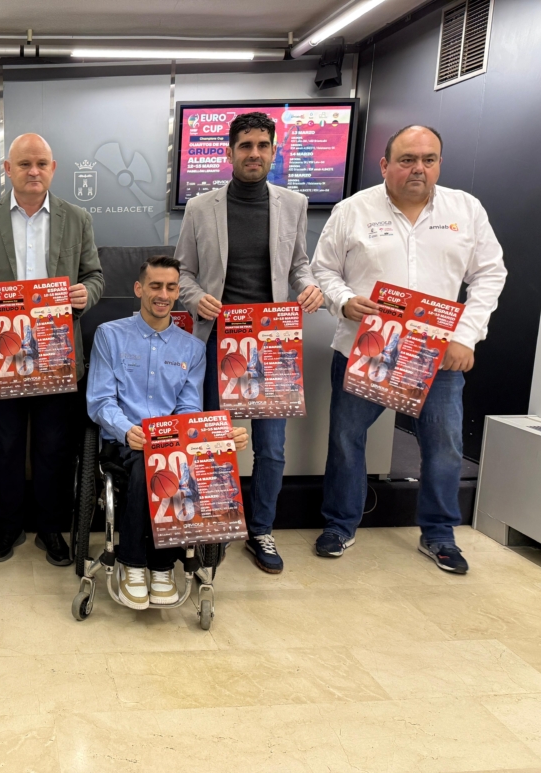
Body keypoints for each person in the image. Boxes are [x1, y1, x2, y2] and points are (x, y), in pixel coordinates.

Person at [311, 125, 507, 573]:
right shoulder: (352, 210)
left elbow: (490, 274)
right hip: (365, 348)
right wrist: (344, 300)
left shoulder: (466, 210)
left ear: (439, 163)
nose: (418, 168)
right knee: (346, 441)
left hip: (437, 356)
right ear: (385, 165)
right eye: (407, 159)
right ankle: (340, 525)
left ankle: (439, 534)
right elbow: (323, 270)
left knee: (444, 446)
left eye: (428, 159)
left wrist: (466, 335)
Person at [176, 112, 323, 574]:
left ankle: (260, 529)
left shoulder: (294, 204)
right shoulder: (200, 207)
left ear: (274, 152)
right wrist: (196, 299)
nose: (254, 153)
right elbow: (183, 273)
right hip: (217, 340)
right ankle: (211, 524)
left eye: (262, 145)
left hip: (272, 344)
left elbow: (298, 265)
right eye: (245, 145)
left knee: (272, 449)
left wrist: (309, 286)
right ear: (230, 152)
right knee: (212, 440)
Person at [0, 133, 105, 564]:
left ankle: (50, 528)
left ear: (53, 168)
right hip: (3, 355)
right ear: (8, 169)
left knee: (53, 447)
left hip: (58, 355)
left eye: (41, 163)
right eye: (24, 164)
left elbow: (95, 276)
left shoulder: (76, 217)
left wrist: (86, 294)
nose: (34, 171)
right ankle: (8, 527)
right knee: (5, 447)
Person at [87, 255, 248, 609]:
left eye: (171, 287)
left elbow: (190, 410)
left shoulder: (191, 348)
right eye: (155, 286)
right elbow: (99, 401)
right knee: (149, 464)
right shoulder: (109, 335)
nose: (163, 294)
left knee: (171, 462)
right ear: (139, 288)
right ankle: (134, 563)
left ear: (178, 292)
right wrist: (127, 429)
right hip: (123, 440)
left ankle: (161, 568)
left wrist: (219, 436)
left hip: (170, 443)